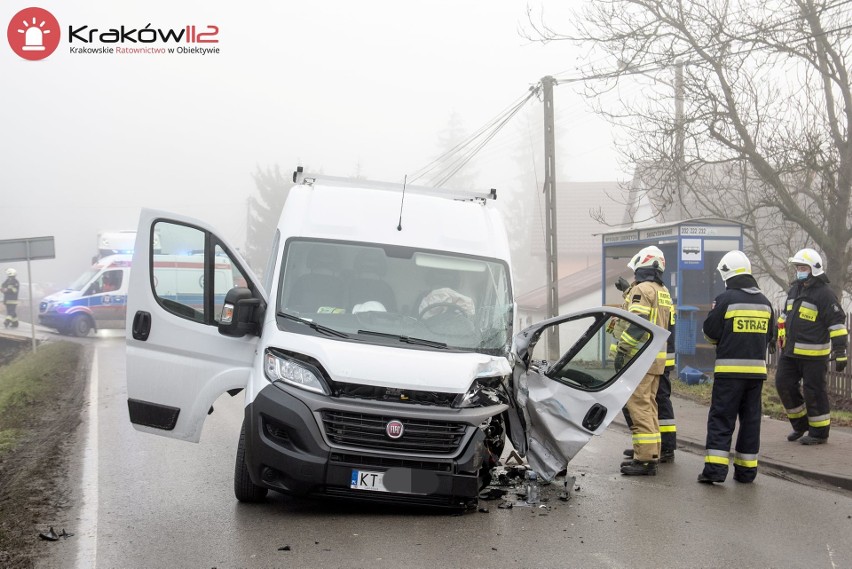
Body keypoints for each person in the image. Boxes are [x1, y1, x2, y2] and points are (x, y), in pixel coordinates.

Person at [698, 251, 775, 484]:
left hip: (729, 373)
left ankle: (715, 471)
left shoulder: (726, 299)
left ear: (727, 273)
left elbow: (710, 331)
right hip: (756, 375)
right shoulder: (765, 302)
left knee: (722, 419)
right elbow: (769, 336)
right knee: (751, 422)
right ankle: (746, 472)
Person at [775, 248, 847, 445]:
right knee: (783, 384)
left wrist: (840, 351)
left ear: (814, 269)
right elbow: (784, 317)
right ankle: (800, 425)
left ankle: (819, 432)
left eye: (803, 267)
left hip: (814, 356)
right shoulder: (795, 290)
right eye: (798, 267)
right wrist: (776, 335)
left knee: (814, 391)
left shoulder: (825, 295)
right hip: (790, 353)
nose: (799, 270)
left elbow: (837, 323)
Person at [612, 245, 673, 476]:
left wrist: (622, 351)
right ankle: (651, 452)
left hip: (639, 358)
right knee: (650, 407)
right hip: (655, 360)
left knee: (639, 408)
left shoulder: (643, 290)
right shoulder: (662, 290)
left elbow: (637, 324)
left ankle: (645, 460)